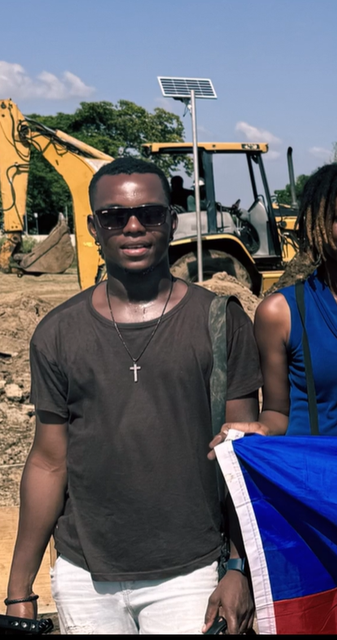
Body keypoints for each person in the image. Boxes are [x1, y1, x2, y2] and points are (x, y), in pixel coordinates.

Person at [6, 158, 260, 634]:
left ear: (173, 221)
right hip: (86, 575)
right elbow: (47, 461)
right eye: (114, 216)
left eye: (150, 213)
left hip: (192, 574)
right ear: (93, 227)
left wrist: (237, 567)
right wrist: (19, 591)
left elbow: (241, 458)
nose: (134, 226)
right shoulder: (57, 333)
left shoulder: (221, 323)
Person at [215, 162, 337, 442]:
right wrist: (261, 428)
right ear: (316, 224)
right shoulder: (281, 313)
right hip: (317, 476)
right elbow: (277, 411)